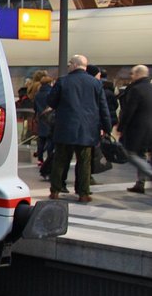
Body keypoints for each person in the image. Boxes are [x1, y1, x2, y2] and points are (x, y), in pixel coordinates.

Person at [46, 55, 110, 203]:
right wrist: (106, 127)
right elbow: (103, 107)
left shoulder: (63, 81)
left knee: (60, 161)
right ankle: (83, 193)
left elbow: (51, 101)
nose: (68, 66)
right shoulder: (96, 83)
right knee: (84, 162)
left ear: (74, 65)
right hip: (87, 130)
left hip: (65, 128)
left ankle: (55, 190)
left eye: (70, 64)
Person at [117, 64, 152, 194]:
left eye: (133, 74)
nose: (131, 76)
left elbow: (129, 111)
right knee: (141, 155)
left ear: (138, 74)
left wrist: (121, 127)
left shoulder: (136, 90)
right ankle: (140, 183)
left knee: (130, 154)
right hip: (151, 128)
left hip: (136, 128)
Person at [33, 73, 56, 174]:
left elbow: (35, 107)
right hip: (50, 119)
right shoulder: (51, 93)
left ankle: (40, 159)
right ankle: (49, 158)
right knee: (50, 140)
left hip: (40, 118)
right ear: (50, 83)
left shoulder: (37, 94)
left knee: (41, 140)